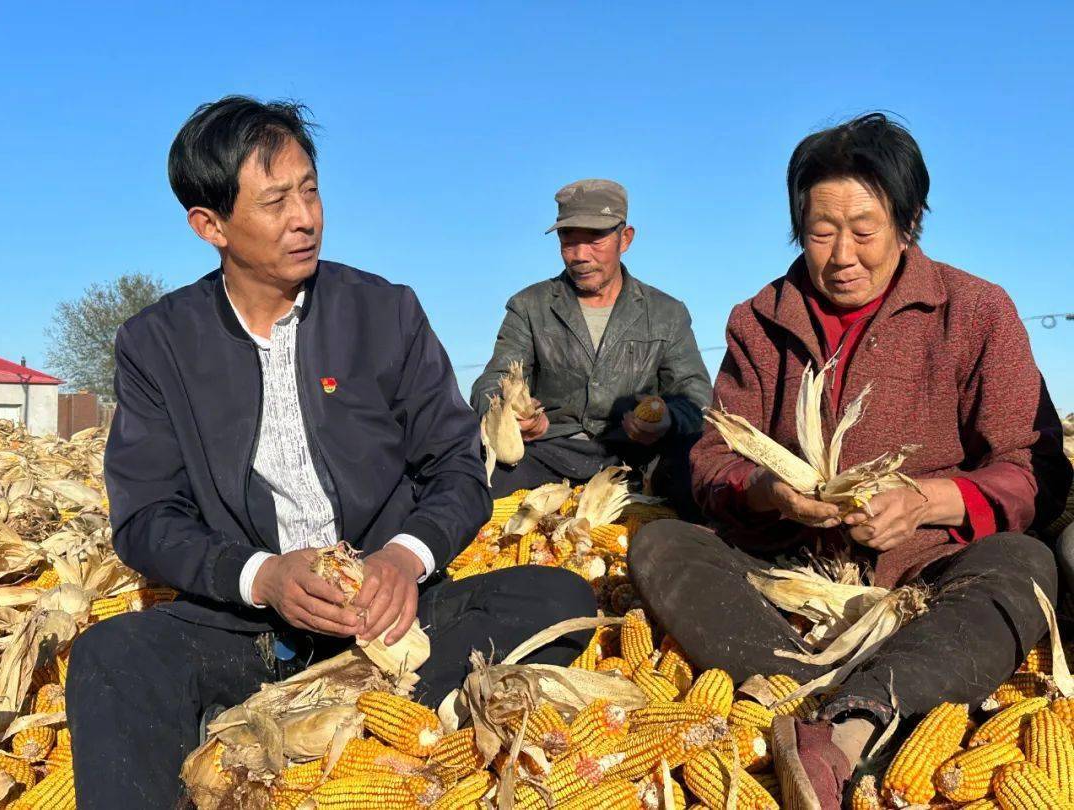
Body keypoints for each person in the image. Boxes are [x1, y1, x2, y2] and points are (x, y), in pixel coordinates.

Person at [65, 96, 596, 810]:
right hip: (244, 628)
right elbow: (146, 517)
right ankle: (306, 721)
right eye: (275, 201)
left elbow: (457, 466)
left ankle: (315, 728)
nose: (305, 218)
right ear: (209, 225)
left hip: (389, 624)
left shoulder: (385, 312)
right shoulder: (157, 344)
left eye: (310, 190)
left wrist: (403, 559)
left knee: (559, 599)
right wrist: (263, 576)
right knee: (110, 656)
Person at [627, 113, 1072, 809]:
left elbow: (1032, 466)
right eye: (820, 232)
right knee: (661, 546)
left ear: (909, 222)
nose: (841, 256)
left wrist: (927, 502)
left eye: (864, 231)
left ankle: (856, 719)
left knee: (1025, 565)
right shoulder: (760, 320)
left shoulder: (976, 311)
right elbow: (713, 459)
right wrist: (770, 491)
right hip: (789, 575)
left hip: (929, 572)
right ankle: (802, 697)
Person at [470, 178, 711, 502]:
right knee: (472, 469)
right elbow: (492, 381)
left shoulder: (667, 313)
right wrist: (511, 415)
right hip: (548, 453)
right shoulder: (528, 306)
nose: (580, 255)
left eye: (595, 239)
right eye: (568, 240)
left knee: (696, 468)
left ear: (625, 239)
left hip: (637, 458)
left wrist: (667, 420)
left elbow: (696, 397)